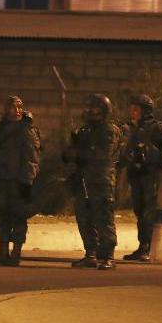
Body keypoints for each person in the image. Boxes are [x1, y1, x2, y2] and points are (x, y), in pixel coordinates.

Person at [0, 95, 41, 266]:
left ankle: (16, 252)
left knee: (18, 216)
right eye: (13, 107)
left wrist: (27, 181)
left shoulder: (26, 130)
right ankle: (3, 251)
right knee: (1, 216)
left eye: (19, 107)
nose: (16, 110)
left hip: (17, 181)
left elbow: (32, 158)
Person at [63, 94, 122, 270]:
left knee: (103, 216)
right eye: (88, 108)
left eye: (94, 108)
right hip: (84, 178)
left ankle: (108, 256)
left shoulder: (109, 130)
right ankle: (90, 253)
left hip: (101, 179)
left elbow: (102, 155)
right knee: (84, 216)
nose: (90, 112)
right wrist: (72, 149)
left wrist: (81, 152)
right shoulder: (85, 130)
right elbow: (70, 155)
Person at [116, 94, 162, 262]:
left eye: (136, 109)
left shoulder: (158, 128)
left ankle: (151, 247)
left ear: (145, 111)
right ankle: (143, 246)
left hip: (151, 174)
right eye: (132, 108)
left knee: (150, 211)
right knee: (140, 210)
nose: (133, 112)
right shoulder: (131, 128)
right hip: (136, 174)